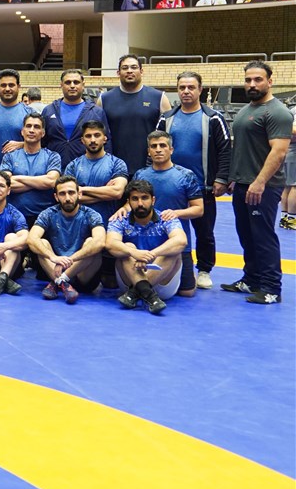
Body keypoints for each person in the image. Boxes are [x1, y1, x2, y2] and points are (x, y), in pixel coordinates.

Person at [156, 72, 231, 290]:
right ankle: (167, 266)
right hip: (171, 186)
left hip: (202, 186)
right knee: (167, 227)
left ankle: (204, 270)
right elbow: (154, 145)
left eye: (191, 87)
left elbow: (225, 150)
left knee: (204, 231)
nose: (186, 91)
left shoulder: (213, 118)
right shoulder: (166, 118)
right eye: (182, 87)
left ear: (200, 90)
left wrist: (221, 178)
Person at [224, 61, 290, 305]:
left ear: (269, 82)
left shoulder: (278, 112)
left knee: (263, 237)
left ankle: (272, 288)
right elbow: (243, 149)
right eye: (248, 80)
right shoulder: (246, 110)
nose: (252, 84)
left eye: (258, 79)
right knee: (246, 235)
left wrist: (260, 182)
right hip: (243, 184)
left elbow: (279, 152)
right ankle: (251, 279)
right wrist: (234, 178)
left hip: (264, 187)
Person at [105, 179, 188, 315]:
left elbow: (181, 241)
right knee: (126, 247)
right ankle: (149, 295)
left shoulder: (166, 218)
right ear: (128, 201)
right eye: (135, 199)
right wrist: (134, 253)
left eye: (144, 198)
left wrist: (151, 254)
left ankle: (136, 291)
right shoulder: (120, 219)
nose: (140, 203)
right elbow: (110, 244)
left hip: (162, 284)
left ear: (153, 200)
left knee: (173, 250)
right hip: (129, 279)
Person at [27, 176, 106, 303]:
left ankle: (60, 281)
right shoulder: (49, 213)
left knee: (92, 243)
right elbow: (31, 239)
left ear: (79, 194)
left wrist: (70, 260)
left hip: (83, 276)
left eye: (71, 193)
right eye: (62, 194)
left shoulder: (91, 215)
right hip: (55, 269)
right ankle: (62, 283)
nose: (67, 198)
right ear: (56, 197)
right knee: (41, 243)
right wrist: (53, 257)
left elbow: (100, 242)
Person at [98, 55, 171, 175]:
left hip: (150, 168)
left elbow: (168, 135)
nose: (129, 71)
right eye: (125, 68)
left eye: (134, 67)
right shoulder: (104, 99)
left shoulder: (159, 98)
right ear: (118, 73)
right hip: (114, 169)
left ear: (141, 71)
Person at [1, 113, 62, 231]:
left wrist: (17, 178)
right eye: (28, 126)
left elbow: (51, 182)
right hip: (14, 217)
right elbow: (6, 184)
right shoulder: (10, 156)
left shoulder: (53, 156)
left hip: (45, 218)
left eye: (37, 127)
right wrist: (39, 183)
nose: (32, 130)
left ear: (43, 133)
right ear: (22, 131)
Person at [64, 120, 128, 227]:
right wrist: (106, 194)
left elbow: (117, 192)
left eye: (97, 135)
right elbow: (69, 198)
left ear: (105, 138)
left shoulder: (117, 163)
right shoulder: (73, 166)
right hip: (79, 225)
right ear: (82, 140)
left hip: (109, 224)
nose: (93, 140)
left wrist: (82, 189)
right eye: (88, 136)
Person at [41, 69, 107, 168]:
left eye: (76, 82)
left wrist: (105, 166)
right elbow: (41, 141)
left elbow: (106, 141)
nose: (72, 86)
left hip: (86, 168)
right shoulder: (49, 111)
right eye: (68, 82)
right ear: (61, 85)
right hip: (54, 168)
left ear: (83, 85)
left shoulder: (96, 112)